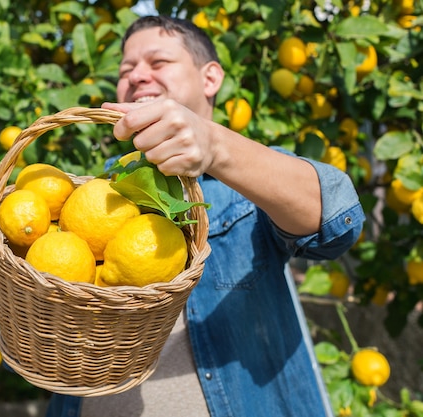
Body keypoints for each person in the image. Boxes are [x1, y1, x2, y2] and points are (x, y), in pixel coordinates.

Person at [43, 15, 364, 417]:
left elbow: (334, 221)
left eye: (158, 63)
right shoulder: (100, 191)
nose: (137, 76)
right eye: (126, 70)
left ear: (210, 78)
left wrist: (215, 147)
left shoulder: (246, 179)